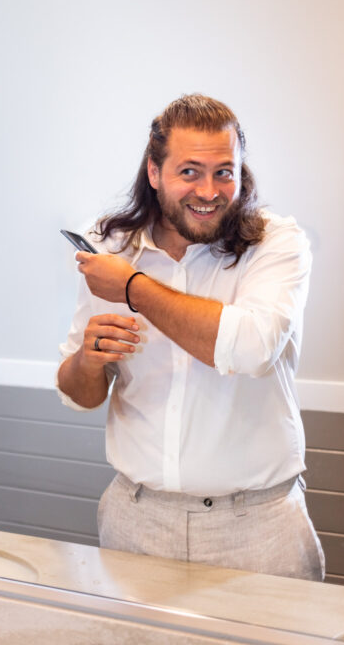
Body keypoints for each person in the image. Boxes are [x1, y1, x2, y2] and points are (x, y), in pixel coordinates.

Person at [57, 93, 324, 581]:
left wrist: (134, 288)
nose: (209, 190)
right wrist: (88, 361)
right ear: (154, 173)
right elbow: (79, 395)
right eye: (189, 171)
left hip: (259, 529)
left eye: (225, 171)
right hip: (136, 521)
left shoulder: (277, 244)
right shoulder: (109, 248)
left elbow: (250, 349)